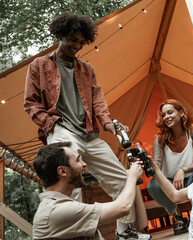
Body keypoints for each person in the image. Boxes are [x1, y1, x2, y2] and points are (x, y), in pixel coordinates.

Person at [23, 12, 150, 239]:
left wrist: (109, 123)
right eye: (73, 39)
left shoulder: (86, 69)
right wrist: (50, 124)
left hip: (89, 133)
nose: (77, 46)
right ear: (61, 35)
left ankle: (124, 231)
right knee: (69, 183)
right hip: (61, 129)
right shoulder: (39, 65)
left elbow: (98, 101)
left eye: (82, 42)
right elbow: (30, 103)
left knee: (122, 178)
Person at [32, 142, 143, 240]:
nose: (84, 164)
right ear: (63, 171)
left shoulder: (58, 205)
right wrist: (132, 176)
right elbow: (123, 207)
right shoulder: (55, 211)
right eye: (77, 160)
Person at [148, 99, 193, 235]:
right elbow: (157, 165)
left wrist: (183, 169)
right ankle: (177, 217)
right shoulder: (160, 139)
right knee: (153, 185)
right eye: (163, 115)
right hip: (170, 183)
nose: (166, 117)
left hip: (191, 177)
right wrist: (147, 165)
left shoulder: (192, 132)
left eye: (170, 112)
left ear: (181, 113)